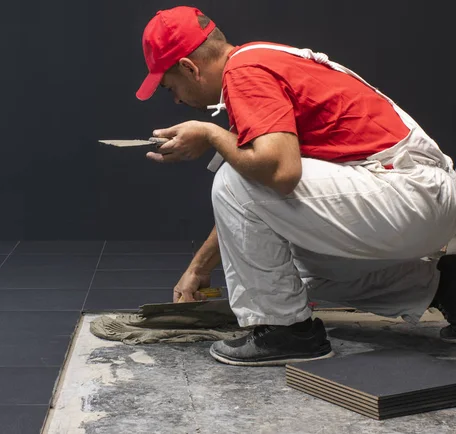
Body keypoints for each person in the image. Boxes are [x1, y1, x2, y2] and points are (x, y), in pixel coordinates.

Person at [135, 6, 456, 366]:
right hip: (419, 196)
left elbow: (278, 173)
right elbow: (257, 199)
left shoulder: (244, 74)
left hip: (407, 192)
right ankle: (445, 288)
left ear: (189, 67)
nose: (176, 99)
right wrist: (198, 268)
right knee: (295, 271)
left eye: (170, 87)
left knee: (234, 176)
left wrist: (210, 133)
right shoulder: (260, 60)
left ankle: (285, 331)